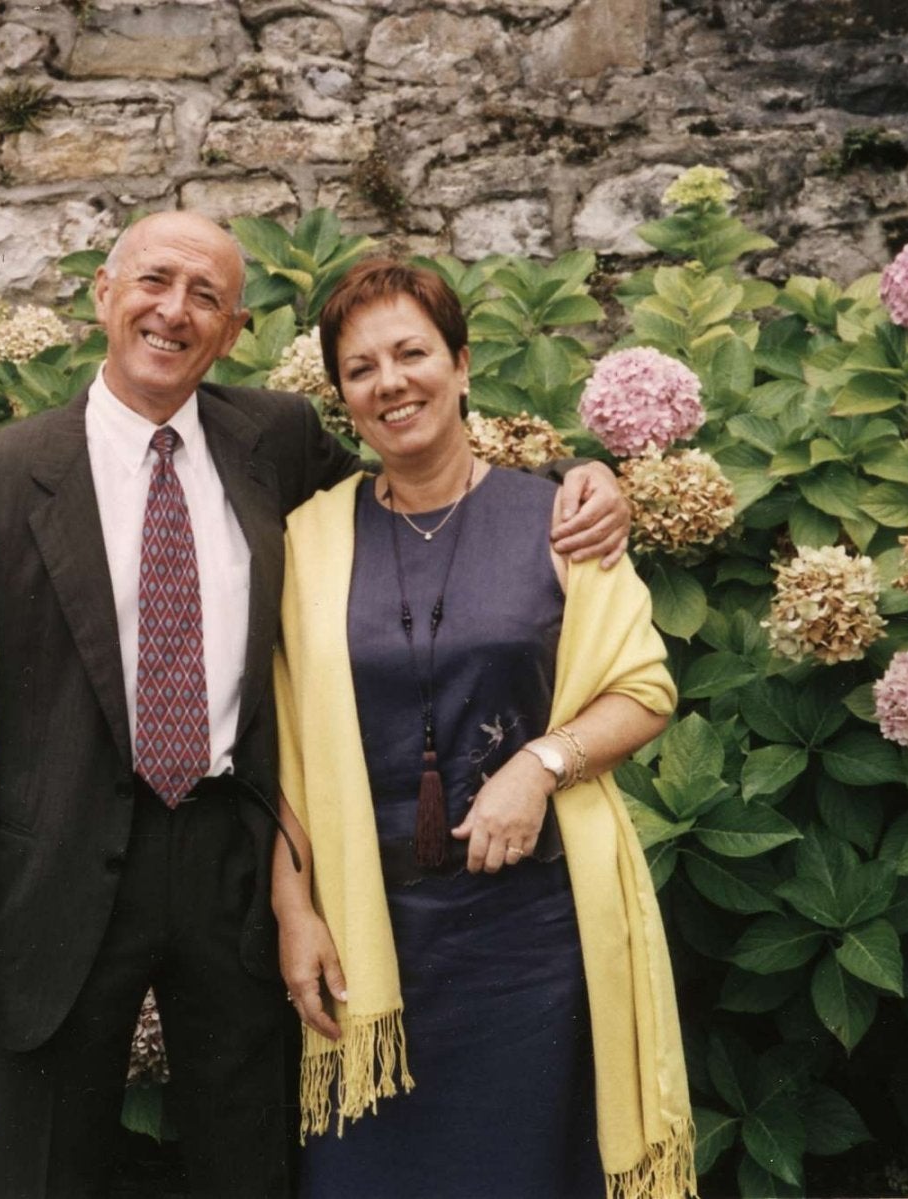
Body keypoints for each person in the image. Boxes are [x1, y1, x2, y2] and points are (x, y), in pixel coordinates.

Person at [0, 212, 632, 1197]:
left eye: (206, 296)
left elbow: (414, 493)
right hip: (59, 872)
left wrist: (571, 482)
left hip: (236, 860)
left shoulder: (273, 439)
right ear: (104, 293)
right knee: (42, 1169)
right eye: (155, 282)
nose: (174, 311)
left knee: (250, 1160)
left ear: (234, 330)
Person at [270, 260, 696, 1199]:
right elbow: (287, 755)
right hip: (373, 937)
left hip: (532, 937)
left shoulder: (561, 518)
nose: (391, 383)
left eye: (413, 353)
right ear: (341, 396)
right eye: (360, 367)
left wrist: (541, 764)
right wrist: (294, 912)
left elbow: (644, 688)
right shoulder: (308, 539)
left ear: (462, 364)